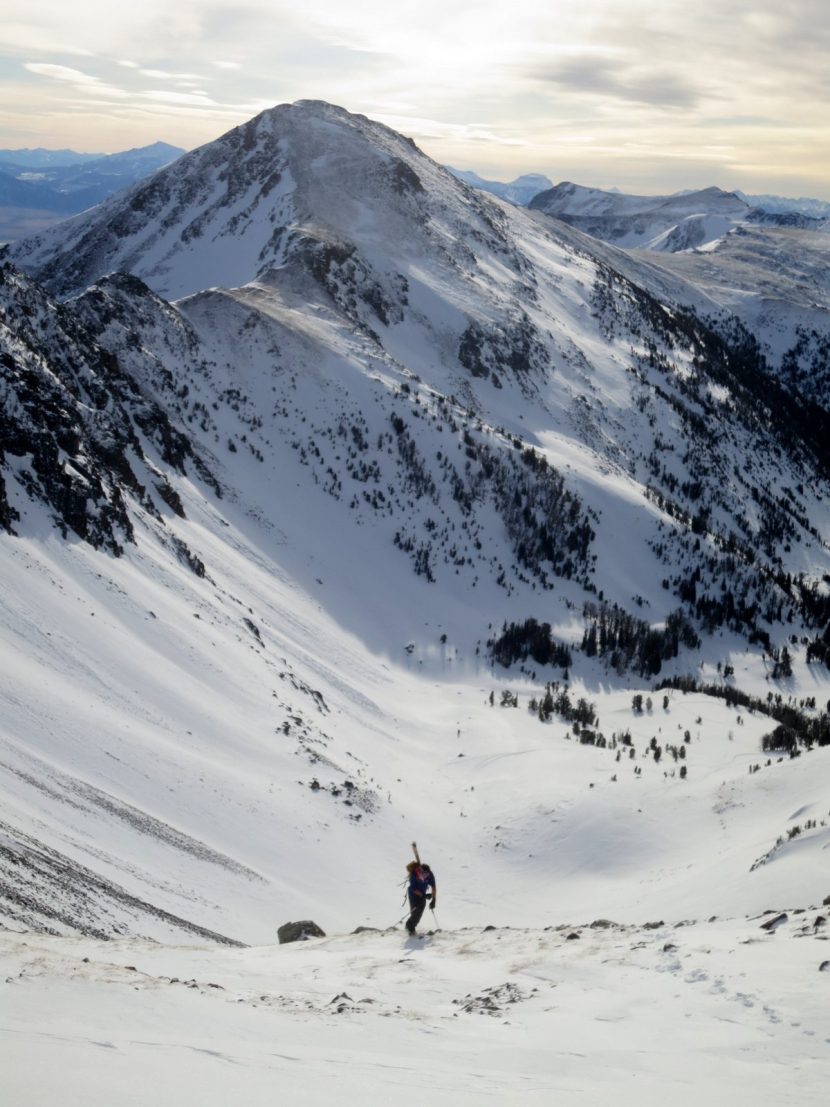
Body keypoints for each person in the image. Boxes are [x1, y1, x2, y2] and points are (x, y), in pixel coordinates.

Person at [405, 860, 431, 934]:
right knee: (415, 912)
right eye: (425, 873)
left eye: (427, 873)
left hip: (422, 895)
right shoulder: (414, 876)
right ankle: (410, 927)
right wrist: (424, 895)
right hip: (413, 896)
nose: (427, 875)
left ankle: (410, 925)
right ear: (421, 872)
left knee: (420, 912)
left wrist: (429, 895)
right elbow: (413, 889)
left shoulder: (427, 876)